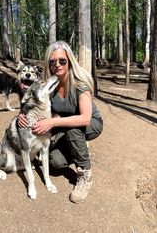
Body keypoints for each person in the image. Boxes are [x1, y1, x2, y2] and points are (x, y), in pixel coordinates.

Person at [18, 40, 103, 203]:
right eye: (52, 62)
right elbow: (34, 100)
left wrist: (52, 123)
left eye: (62, 61)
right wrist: (23, 114)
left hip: (89, 123)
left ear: (69, 60)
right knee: (54, 162)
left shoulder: (80, 83)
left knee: (74, 129)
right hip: (63, 124)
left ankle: (85, 174)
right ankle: (77, 148)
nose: (57, 65)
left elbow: (85, 118)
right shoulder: (50, 84)